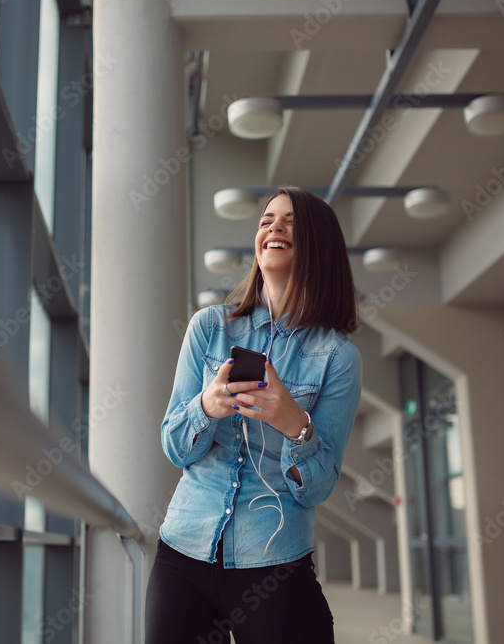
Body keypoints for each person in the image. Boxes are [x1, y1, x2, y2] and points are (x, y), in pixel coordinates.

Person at [145, 186, 362, 644]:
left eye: (289, 222)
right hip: (183, 552)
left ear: (318, 246)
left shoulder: (338, 357)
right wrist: (206, 406)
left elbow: (318, 488)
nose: (273, 228)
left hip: (275, 562)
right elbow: (173, 445)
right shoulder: (209, 327)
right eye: (266, 220)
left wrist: (293, 422)